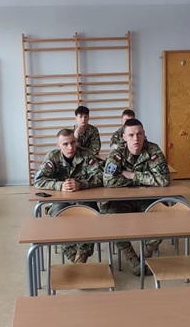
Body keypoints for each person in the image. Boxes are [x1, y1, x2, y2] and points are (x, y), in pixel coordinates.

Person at [102, 118, 170, 275]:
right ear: (124, 137)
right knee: (110, 219)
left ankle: (146, 256)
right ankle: (131, 257)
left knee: (164, 218)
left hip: (148, 199)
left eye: (139, 134)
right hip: (121, 201)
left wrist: (132, 175)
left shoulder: (153, 149)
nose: (136, 139)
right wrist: (146, 180)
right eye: (131, 135)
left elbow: (164, 180)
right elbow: (109, 181)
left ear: (144, 134)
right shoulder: (117, 151)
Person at [34, 129, 104, 263]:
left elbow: (100, 176)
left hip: (84, 198)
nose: (70, 147)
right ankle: (74, 257)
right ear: (58, 146)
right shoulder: (52, 157)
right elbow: (39, 180)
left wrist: (81, 184)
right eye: (65, 144)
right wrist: (59, 185)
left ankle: (81, 255)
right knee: (58, 217)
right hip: (61, 200)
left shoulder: (86, 154)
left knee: (91, 216)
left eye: (73, 142)